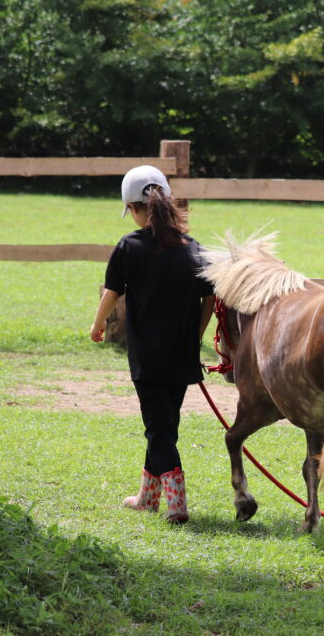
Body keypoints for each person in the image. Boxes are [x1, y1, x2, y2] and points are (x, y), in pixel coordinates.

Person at [90, 165, 214, 524]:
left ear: (133, 207)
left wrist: (97, 325)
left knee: (158, 429)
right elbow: (210, 298)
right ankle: (147, 497)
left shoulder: (129, 247)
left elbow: (112, 291)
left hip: (147, 356)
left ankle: (176, 503)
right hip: (182, 354)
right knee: (166, 424)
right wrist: (197, 334)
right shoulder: (194, 249)